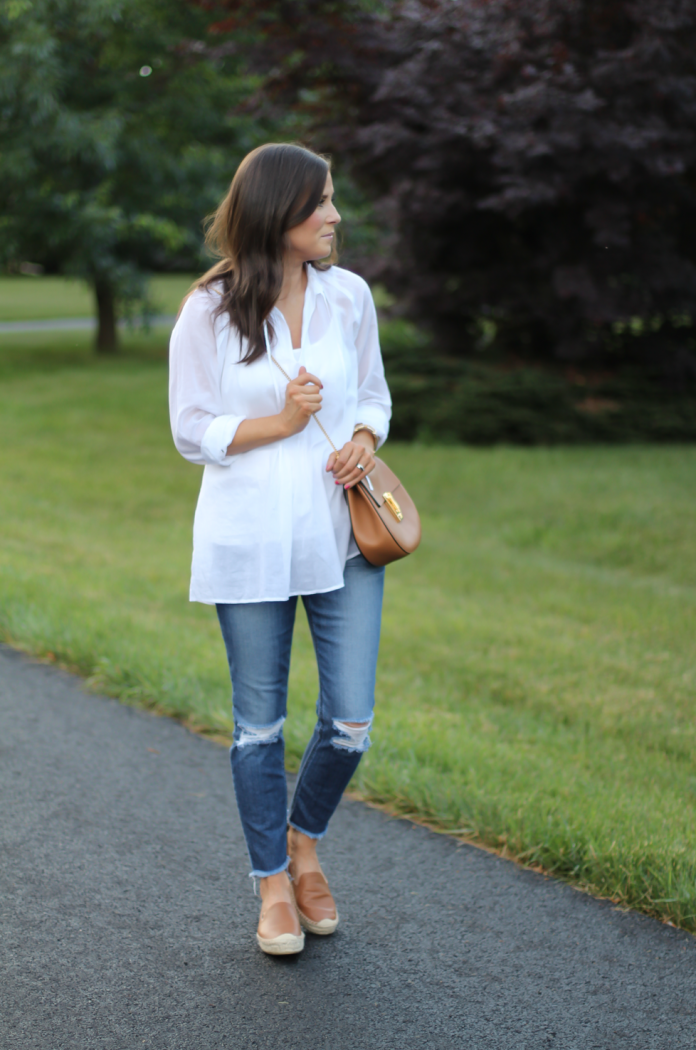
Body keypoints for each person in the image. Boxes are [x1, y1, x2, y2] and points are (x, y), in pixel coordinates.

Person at [169, 143, 391, 956]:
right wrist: (284, 424)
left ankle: (305, 847)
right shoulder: (212, 310)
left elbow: (373, 394)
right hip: (251, 543)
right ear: (277, 214)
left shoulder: (349, 297)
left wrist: (364, 438)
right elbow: (191, 429)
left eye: (332, 201)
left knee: (351, 722)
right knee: (259, 728)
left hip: (341, 540)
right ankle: (271, 885)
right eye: (320, 204)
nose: (335, 217)